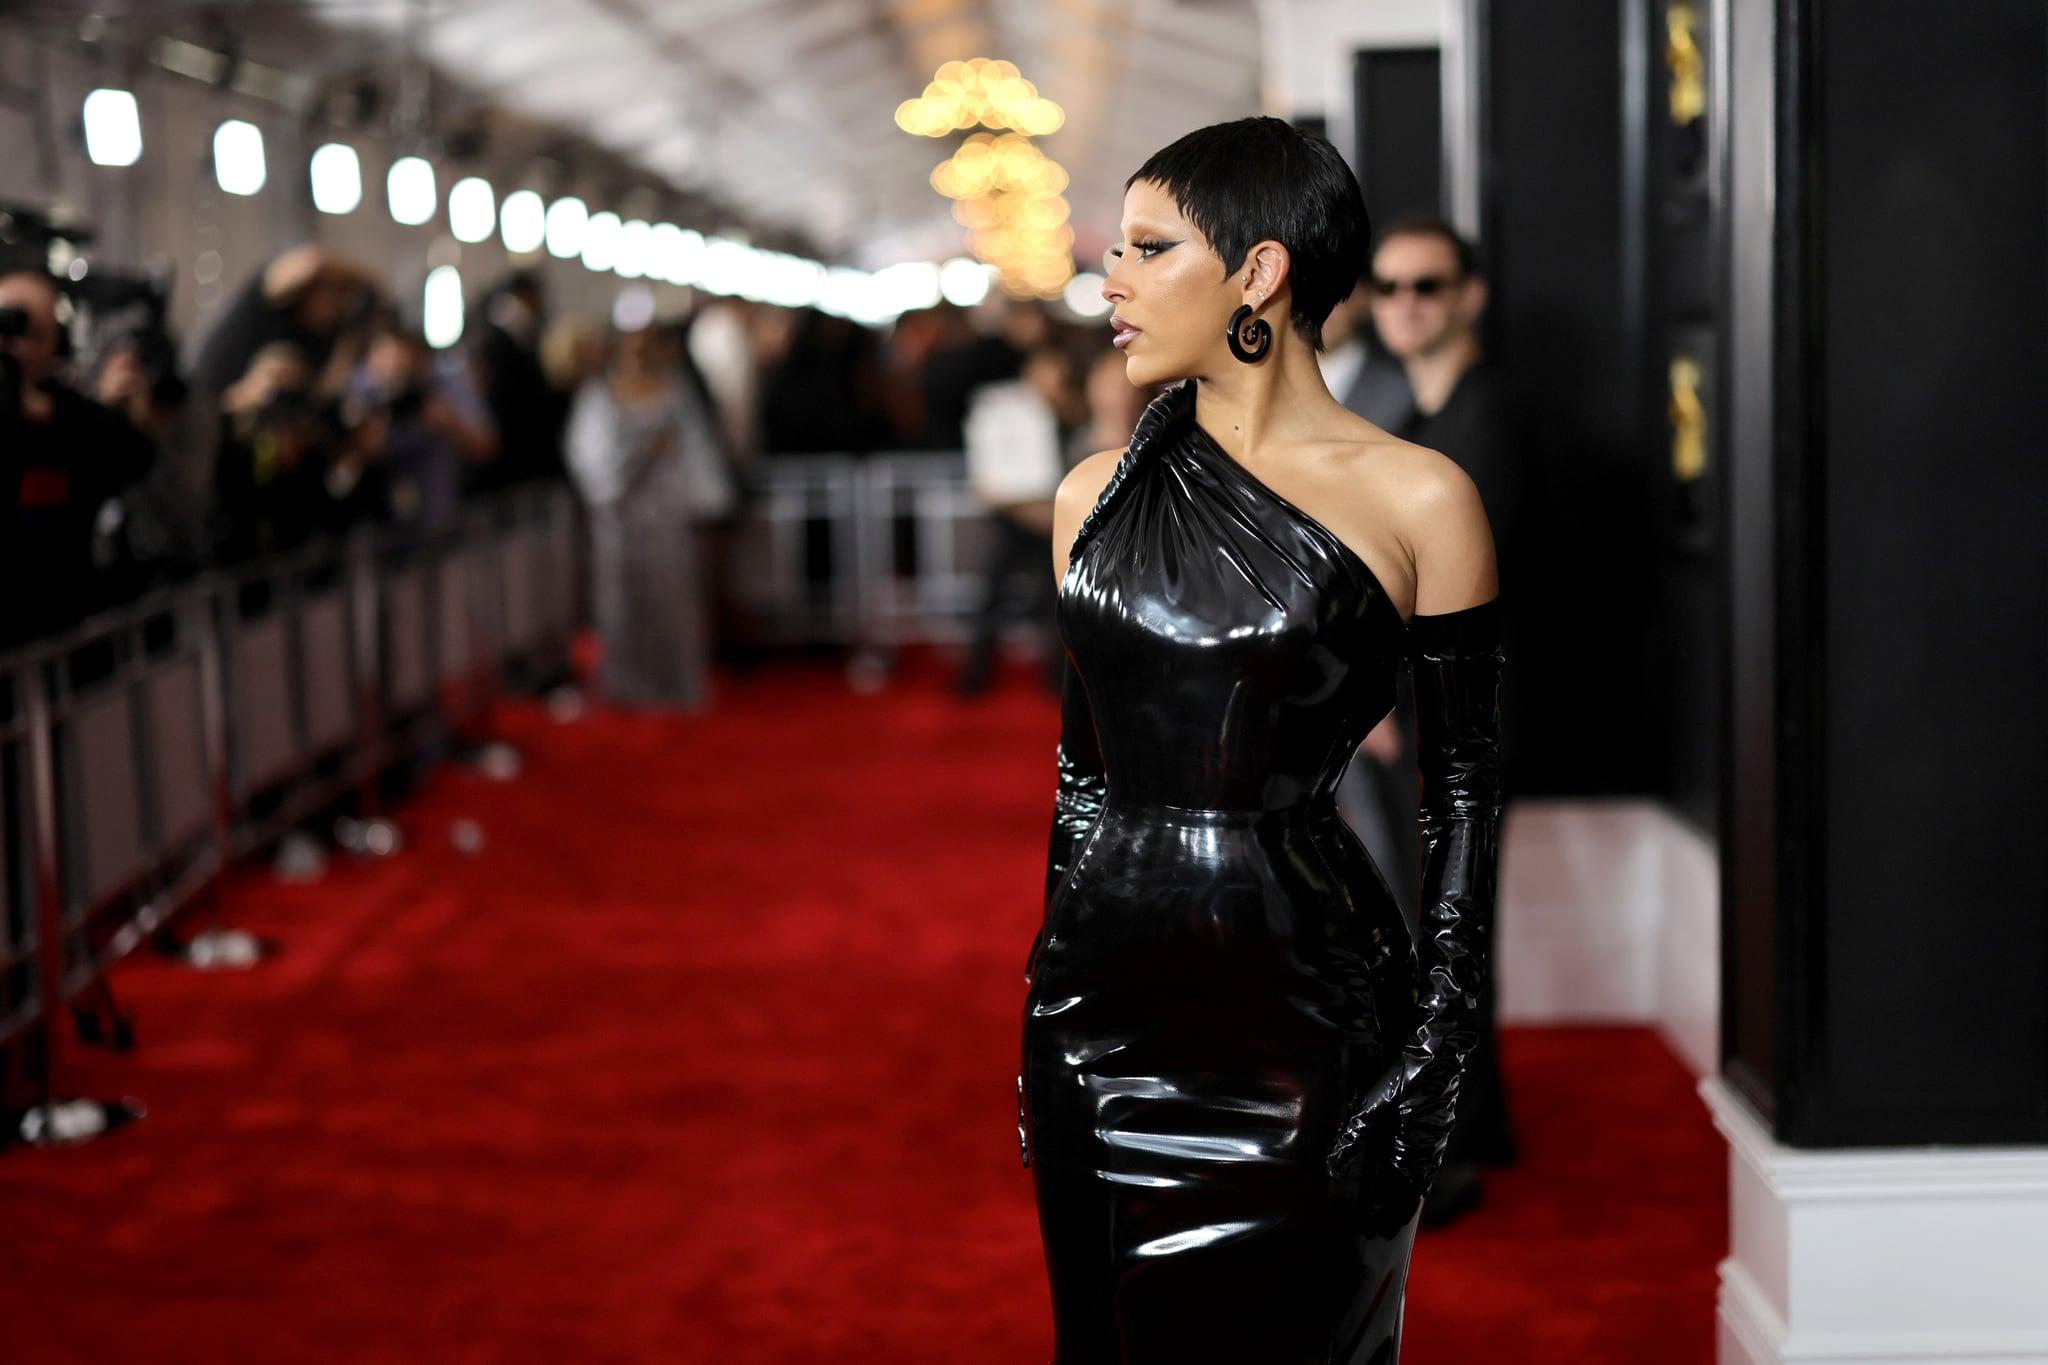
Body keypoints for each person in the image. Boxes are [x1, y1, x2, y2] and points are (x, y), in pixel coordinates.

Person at [1019, 117, 1504, 1361]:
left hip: (1306, 1023)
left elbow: (1462, 792)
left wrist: (1444, 1035)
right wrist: (1043, 1001)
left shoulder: (1419, 499)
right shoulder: (1092, 495)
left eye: (1146, 247)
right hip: (1100, 1018)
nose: (1109, 281)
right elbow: (1082, 778)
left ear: (1258, 273)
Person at [1366, 215, 1526, 1220]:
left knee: (1443, 938)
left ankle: (1450, 1161)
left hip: (1456, 723)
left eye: (1426, 285)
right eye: (1386, 288)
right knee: (1437, 931)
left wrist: (1389, 702)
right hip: (1427, 720)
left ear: (1468, 294)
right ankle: (1479, 1132)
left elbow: (1456, 598)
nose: (1405, 304)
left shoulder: (1487, 421)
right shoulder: (1420, 420)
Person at [565, 323, 735, 708]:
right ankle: (627, 685)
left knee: (673, 600)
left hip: (669, 518)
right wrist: (642, 454)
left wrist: (706, 504)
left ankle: (674, 683)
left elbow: (699, 456)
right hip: (620, 522)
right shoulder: (600, 397)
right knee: (622, 599)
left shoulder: (675, 394)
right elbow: (594, 465)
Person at [0, 270, 157, 646]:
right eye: (9, 332)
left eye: (36, 336)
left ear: (59, 342)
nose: (21, 349)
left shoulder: (72, 414)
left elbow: (135, 457)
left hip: (63, 625)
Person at [954, 342, 1075, 696]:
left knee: (1052, 600)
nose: (1051, 380)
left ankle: (1056, 674)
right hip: (1023, 519)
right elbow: (995, 478)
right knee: (994, 597)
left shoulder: (1065, 413)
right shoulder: (1005, 408)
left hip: (1049, 520)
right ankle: (976, 673)